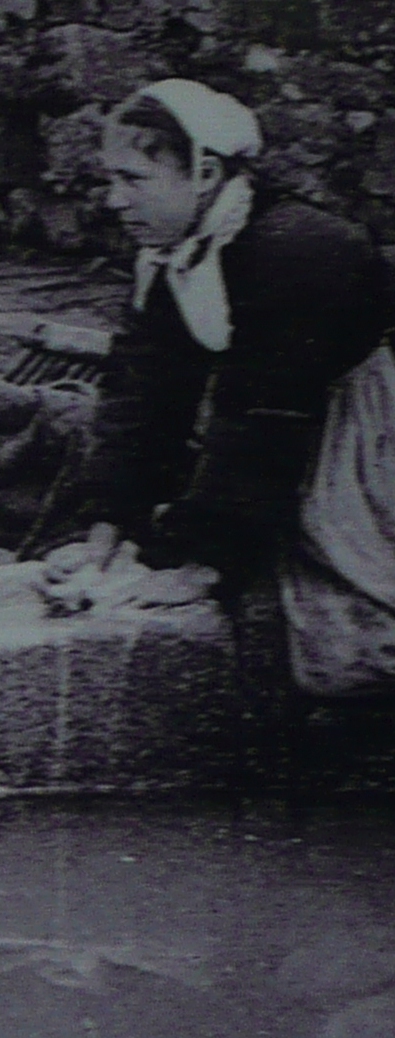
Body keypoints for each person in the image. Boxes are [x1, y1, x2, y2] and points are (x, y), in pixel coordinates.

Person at [62, 80, 395, 704]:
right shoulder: (171, 251)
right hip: (288, 415)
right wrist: (108, 521)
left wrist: (205, 563)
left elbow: (262, 418)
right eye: (112, 179)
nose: (115, 201)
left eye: (134, 179)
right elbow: (143, 390)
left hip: (367, 425)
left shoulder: (296, 251)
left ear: (205, 171)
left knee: (351, 623)